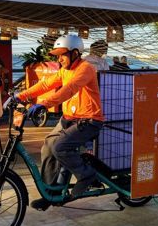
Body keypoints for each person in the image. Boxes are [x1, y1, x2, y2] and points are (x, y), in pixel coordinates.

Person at [16, 34, 104, 211]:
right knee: (48, 147)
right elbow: (45, 84)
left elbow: (69, 89)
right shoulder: (65, 70)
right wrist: (20, 95)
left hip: (89, 121)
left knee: (59, 147)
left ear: (75, 53)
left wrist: (43, 104)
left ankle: (86, 175)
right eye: (57, 55)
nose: (59, 59)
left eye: (62, 55)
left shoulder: (85, 68)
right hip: (69, 119)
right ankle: (51, 192)